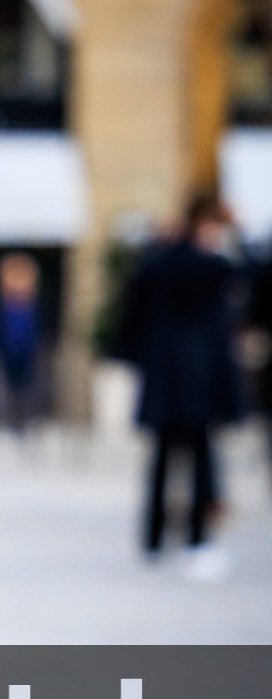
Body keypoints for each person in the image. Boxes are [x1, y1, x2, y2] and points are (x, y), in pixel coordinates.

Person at [115, 192, 243, 579]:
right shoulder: (215, 267)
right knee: (201, 462)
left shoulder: (157, 264)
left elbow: (131, 317)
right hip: (202, 381)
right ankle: (197, 539)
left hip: (165, 379)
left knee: (161, 462)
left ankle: (153, 539)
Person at [0, 252, 52, 433]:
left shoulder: (37, 307)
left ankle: (26, 421)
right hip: (4, 356)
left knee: (29, 390)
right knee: (5, 391)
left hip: (30, 356)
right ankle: (7, 422)